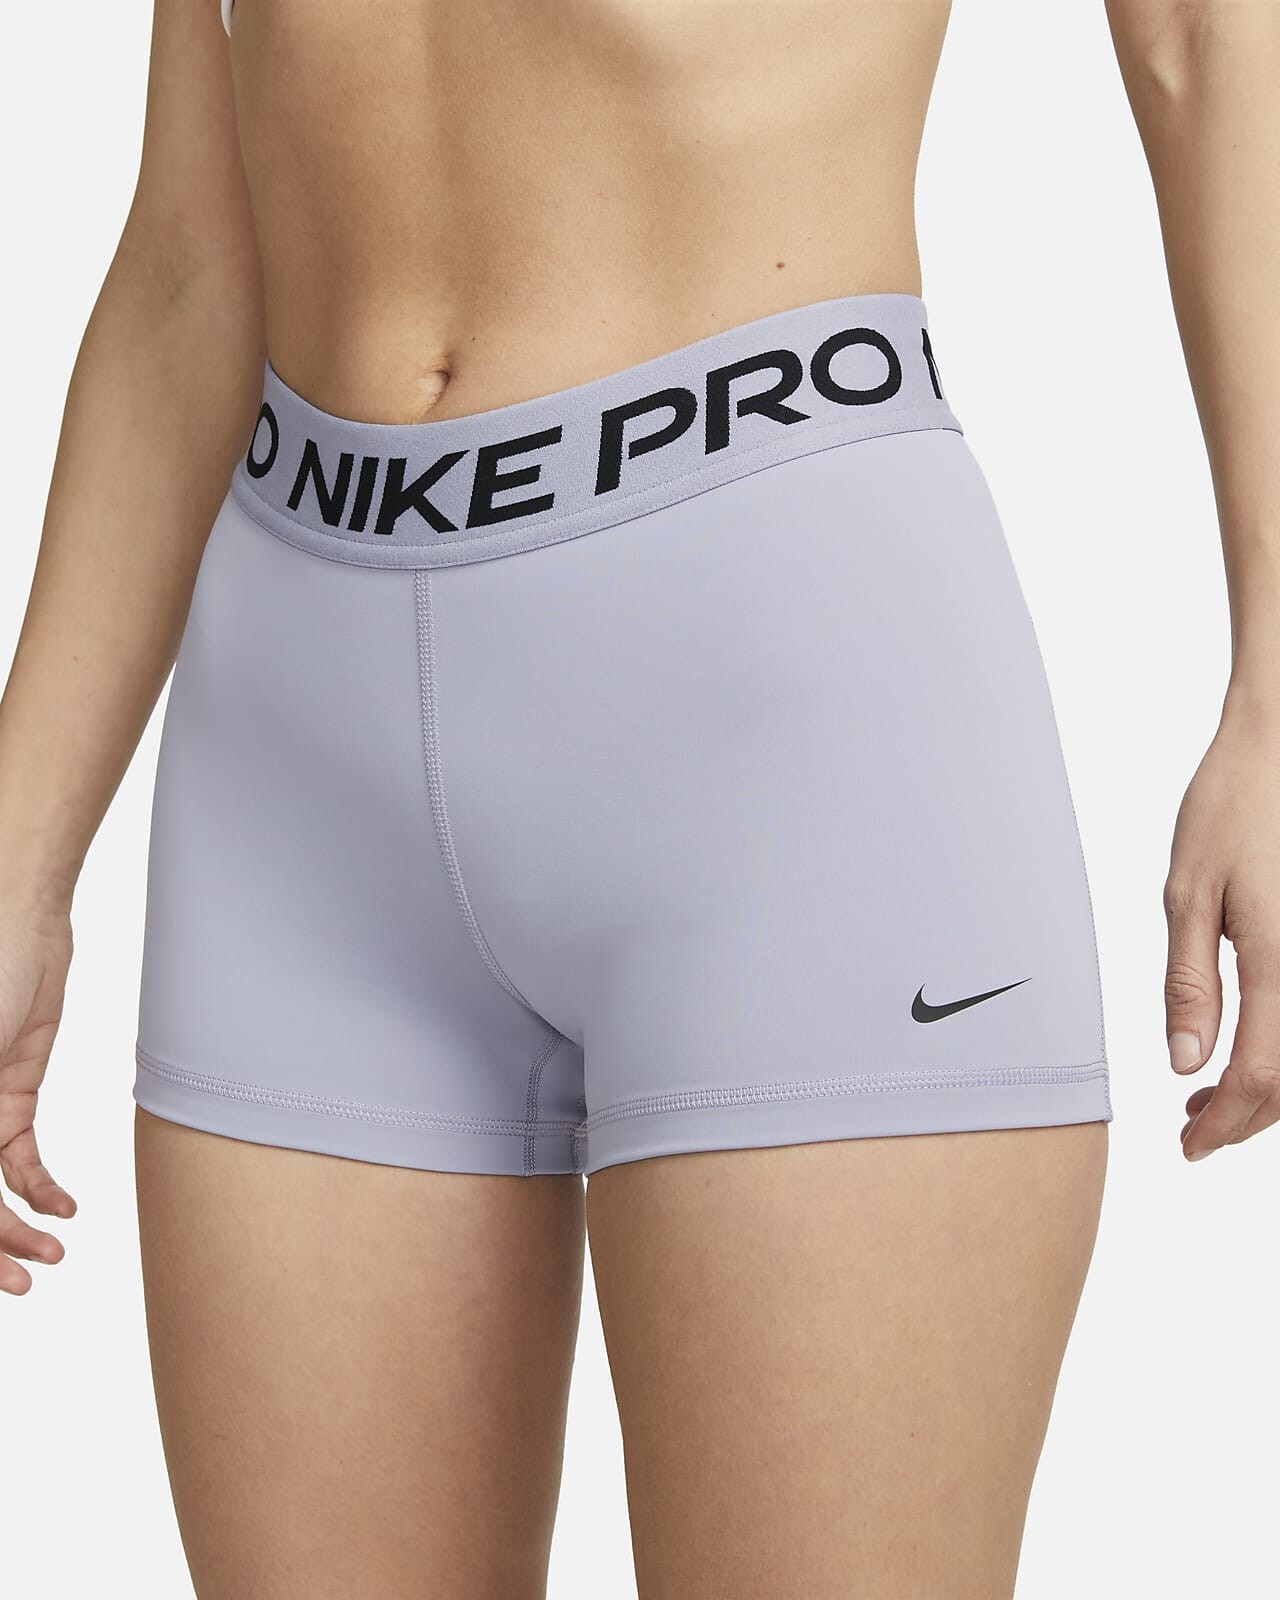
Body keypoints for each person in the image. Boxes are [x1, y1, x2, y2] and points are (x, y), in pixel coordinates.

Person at [1, 2, 1275, 1595]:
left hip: (785, 733)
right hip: (293, 764)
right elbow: (191, 252)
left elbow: (1206, 44)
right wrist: (20, 847)